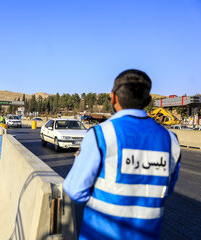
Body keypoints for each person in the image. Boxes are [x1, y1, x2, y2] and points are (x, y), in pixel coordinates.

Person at [63, 69, 181, 240]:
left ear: (113, 97)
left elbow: (74, 190)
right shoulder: (171, 140)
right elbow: (166, 190)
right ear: (148, 100)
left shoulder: (100, 134)